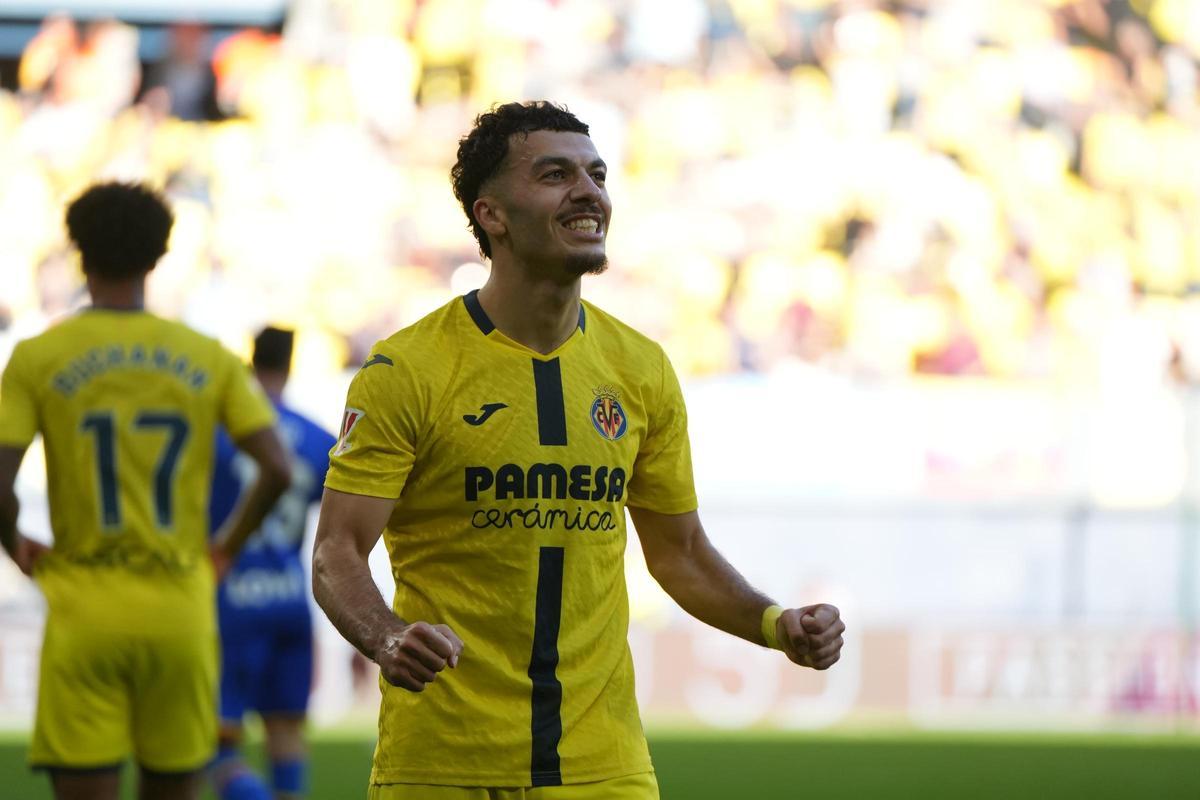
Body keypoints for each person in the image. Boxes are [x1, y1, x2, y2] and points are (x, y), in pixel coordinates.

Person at [311, 101, 846, 799]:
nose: (588, 192)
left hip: (604, 767)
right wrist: (386, 637)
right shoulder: (406, 370)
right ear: (492, 215)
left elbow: (679, 553)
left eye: (596, 174)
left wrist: (778, 624)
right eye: (555, 174)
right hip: (442, 765)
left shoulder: (640, 368)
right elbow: (337, 552)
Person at [0, 181, 291, 800]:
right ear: (159, 257)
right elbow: (278, 468)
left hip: (83, 606)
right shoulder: (205, 355)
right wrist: (225, 547)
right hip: (180, 607)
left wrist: (16, 544)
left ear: (78, 252)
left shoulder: (38, 356)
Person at [208, 326, 335, 800]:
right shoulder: (315, 436)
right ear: (289, 365)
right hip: (289, 598)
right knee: (286, 737)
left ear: (248, 362)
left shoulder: (220, 432)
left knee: (216, 749)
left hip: (228, 598)